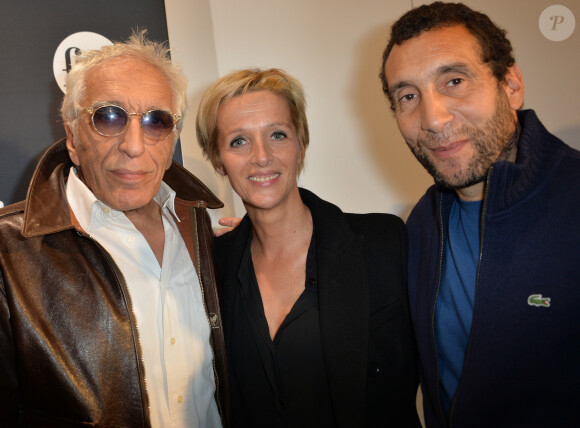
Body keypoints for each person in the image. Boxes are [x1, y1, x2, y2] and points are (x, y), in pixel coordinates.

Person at [0, 32, 228, 427]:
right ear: (72, 137)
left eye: (156, 121)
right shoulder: (9, 254)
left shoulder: (201, 229)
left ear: (172, 136)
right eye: (109, 117)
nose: (135, 146)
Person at [379, 2, 580, 427]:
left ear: (511, 84)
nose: (433, 119)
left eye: (454, 80)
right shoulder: (420, 226)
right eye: (408, 96)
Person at [196, 68, 421, 427]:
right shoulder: (213, 267)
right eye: (239, 141)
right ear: (218, 160)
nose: (262, 156)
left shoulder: (382, 244)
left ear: (301, 144)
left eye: (278, 135)